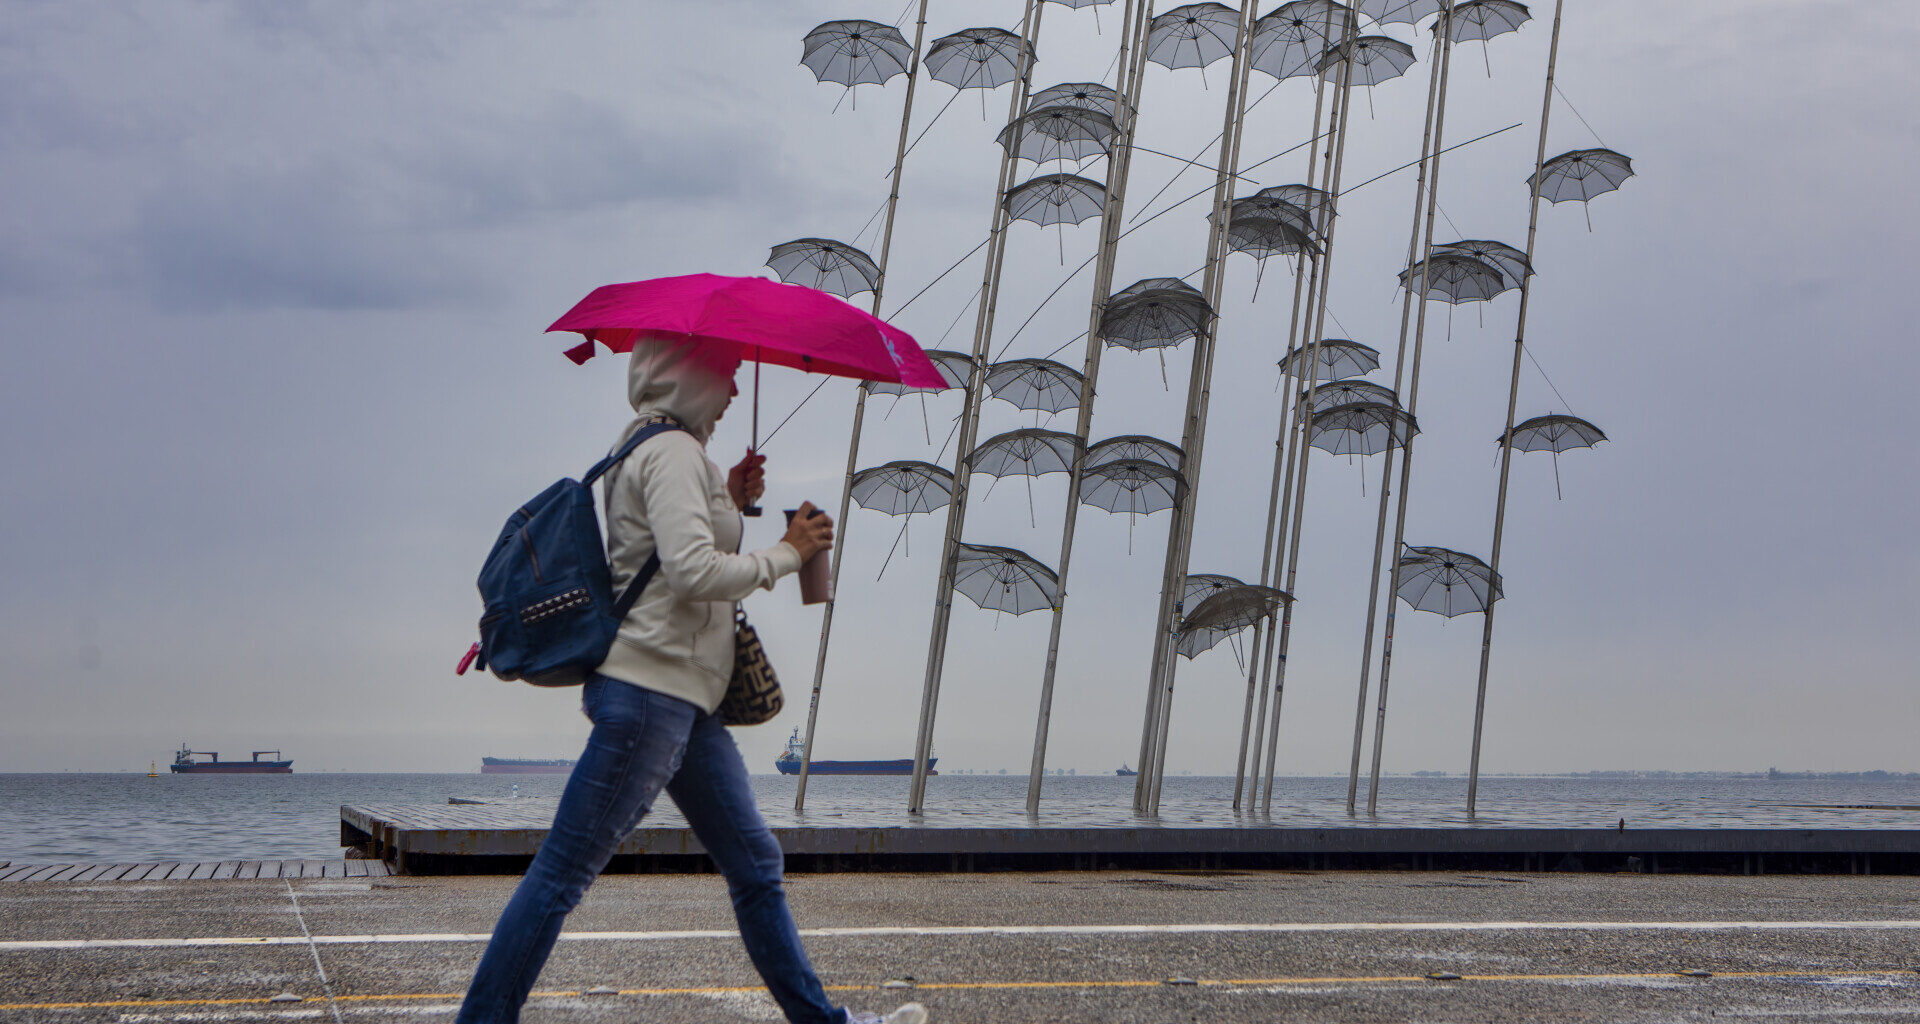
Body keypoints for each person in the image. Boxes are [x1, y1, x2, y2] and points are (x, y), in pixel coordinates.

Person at [457, 336, 925, 1024]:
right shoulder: (673, 454)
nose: (735, 390)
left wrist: (729, 494)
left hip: (683, 702)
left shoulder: (651, 446)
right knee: (561, 875)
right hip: (650, 696)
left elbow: (665, 544)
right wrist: (788, 554)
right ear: (689, 376)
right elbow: (691, 572)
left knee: (756, 867)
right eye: (727, 374)